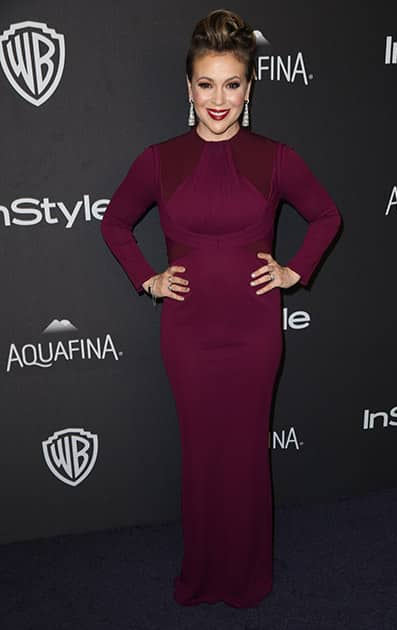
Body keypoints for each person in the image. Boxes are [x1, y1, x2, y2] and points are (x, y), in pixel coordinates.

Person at [100, 9, 342, 608]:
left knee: (245, 459)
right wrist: (147, 280)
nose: (218, 99)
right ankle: (202, 573)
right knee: (201, 457)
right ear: (188, 87)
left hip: (256, 334)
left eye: (231, 84)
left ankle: (249, 576)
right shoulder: (160, 160)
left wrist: (294, 271)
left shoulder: (275, 157)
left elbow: (327, 216)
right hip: (187, 335)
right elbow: (115, 223)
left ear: (249, 87)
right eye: (206, 84)